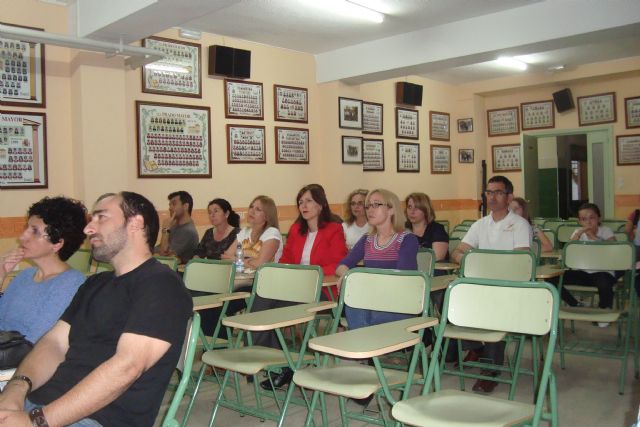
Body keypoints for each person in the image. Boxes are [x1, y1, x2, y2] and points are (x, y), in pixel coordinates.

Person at [0, 192, 192, 427]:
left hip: (92, 420)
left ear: (136, 223)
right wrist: (16, 389)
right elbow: (54, 344)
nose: (88, 229)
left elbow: (127, 367)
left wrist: (36, 421)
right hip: (40, 407)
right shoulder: (95, 284)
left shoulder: (162, 285)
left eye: (101, 218)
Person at [257, 184, 347, 391]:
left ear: (321, 204)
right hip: (295, 289)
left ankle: (277, 364)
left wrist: (308, 274)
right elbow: (287, 258)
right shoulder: (297, 230)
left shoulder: (334, 229)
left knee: (271, 306)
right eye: (300, 202)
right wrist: (279, 271)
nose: (303, 205)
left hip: (322, 292)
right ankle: (278, 362)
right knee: (260, 301)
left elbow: (337, 263)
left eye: (308, 201)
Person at [451, 175, 531, 394]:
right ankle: (475, 347)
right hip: (480, 283)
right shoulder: (480, 224)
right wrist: (470, 260)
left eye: (498, 192)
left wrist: (485, 263)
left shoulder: (519, 225)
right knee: (448, 296)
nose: (492, 197)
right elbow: (458, 251)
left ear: (509, 197)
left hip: (508, 287)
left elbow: (521, 260)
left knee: (495, 309)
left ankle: (491, 370)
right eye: (489, 192)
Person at [0, 197, 87, 345]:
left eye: (34, 231)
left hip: (23, 362)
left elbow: (36, 342)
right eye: (26, 228)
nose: (22, 237)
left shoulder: (71, 284)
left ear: (57, 244)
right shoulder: (25, 276)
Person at [337, 189, 419, 329]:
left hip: (399, 304)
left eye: (376, 204)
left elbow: (403, 278)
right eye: (368, 206)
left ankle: (365, 346)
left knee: (359, 309)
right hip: (371, 301)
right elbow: (342, 266)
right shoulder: (367, 240)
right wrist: (346, 277)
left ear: (391, 209)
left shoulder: (407, 239)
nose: (370, 210)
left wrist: (360, 281)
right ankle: (367, 347)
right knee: (353, 304)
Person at [561, 203, 616, 317]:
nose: (588, 222)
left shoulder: (606, 231)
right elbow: (568, 253)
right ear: (580, 221)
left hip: (602, 273)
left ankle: (603, 313)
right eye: (584, 219)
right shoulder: (578, 233)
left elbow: (613, 249)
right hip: (582, 272)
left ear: (598, 218)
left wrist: (594, 238)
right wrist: (578, 235)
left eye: (592, 218)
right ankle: (575, 304)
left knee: (605, 284)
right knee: (552, 279)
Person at [223, 195, 283, 269]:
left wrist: (236, 259)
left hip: (265, 279)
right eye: (251, 207)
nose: (252, 211)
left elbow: (260, 265)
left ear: (267, 216)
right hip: (242, 277)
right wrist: (249, 262)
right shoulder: (245, 231)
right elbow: (226, 257)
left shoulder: (272, 232)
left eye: (258, 209)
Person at [405, 192, 449, 269]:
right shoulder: (401, 229)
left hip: (432, 272)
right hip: (408, 270)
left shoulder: (437, 230)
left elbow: (436, 259)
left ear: (426, 210)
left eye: (417, 208)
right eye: (409, 207)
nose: (412, 211)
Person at [156, 190, 198, 264]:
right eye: (169, 205)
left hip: (178, 272)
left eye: (174, 204)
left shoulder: (187, 231)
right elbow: (159, 249)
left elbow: (163, 254)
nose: (170, 208)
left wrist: (165, 229)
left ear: (185, 206)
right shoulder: (174, 225)